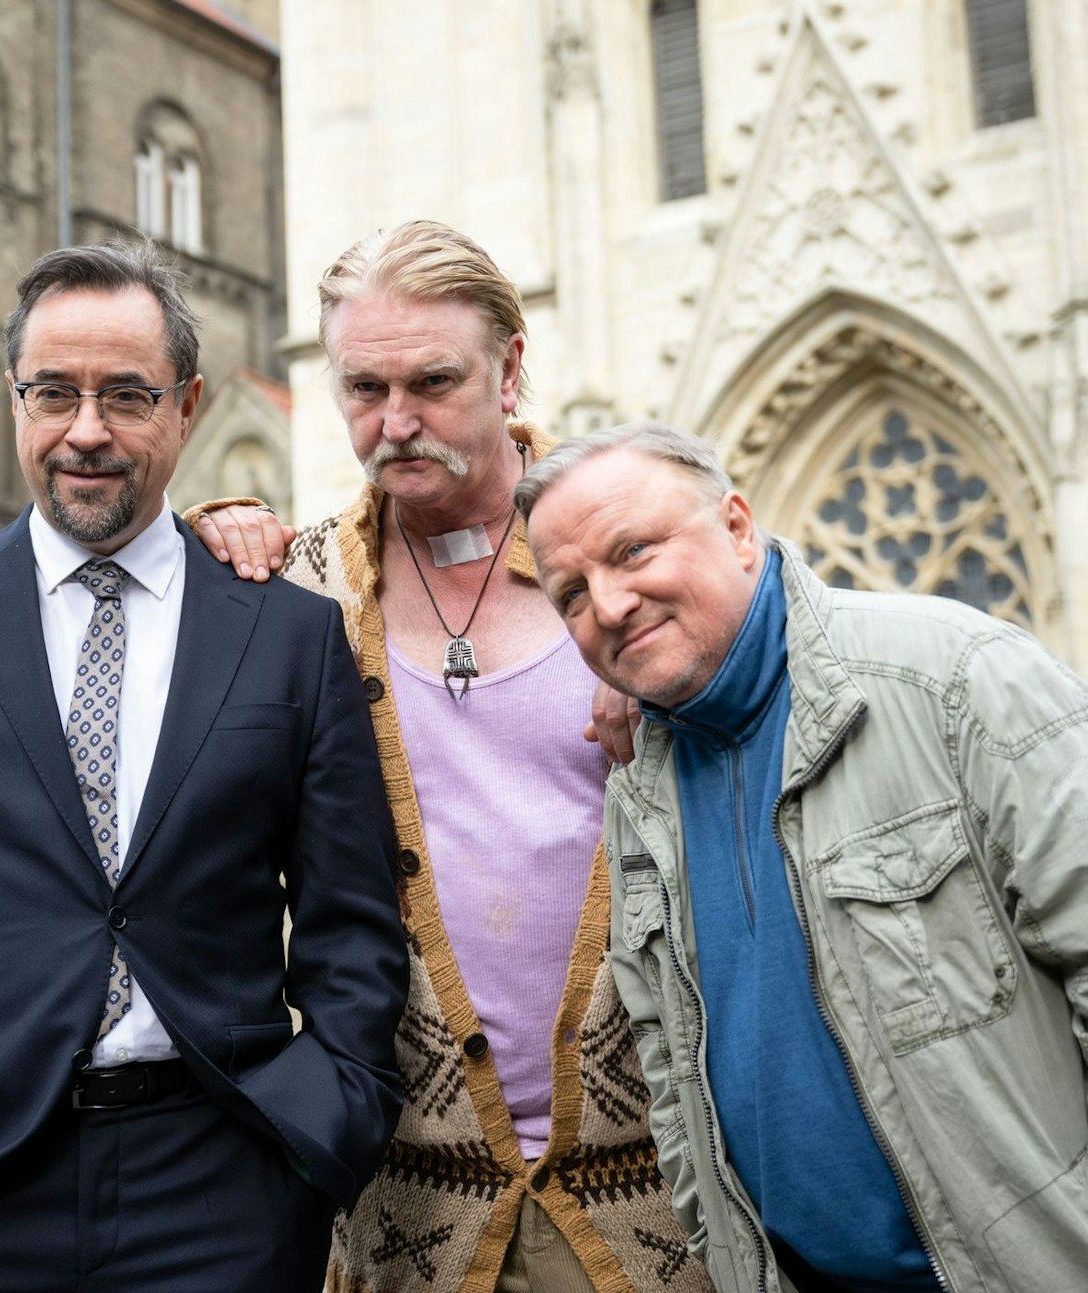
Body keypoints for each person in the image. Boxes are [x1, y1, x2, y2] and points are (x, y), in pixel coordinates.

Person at [0, 241, 409, 1292]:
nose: (86, 430)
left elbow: (349, 919)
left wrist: (327, 1125)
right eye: (53, 392)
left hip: (220, 1193)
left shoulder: (288, 637)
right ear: (16, 401)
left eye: (126, 395)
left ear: (185, 407)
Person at [518, 421, 1088, 1293]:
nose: (609, 605)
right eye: (571, 592)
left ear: (737, 526)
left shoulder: (958, 677)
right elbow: (670, 1055)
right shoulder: (638, 787)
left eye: (633, 551)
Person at [190, 222, 709, 1293]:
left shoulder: (633, 566)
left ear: (510, 363)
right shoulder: (293, 596)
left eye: (432, 381)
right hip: (409, 1217)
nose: (395, 424)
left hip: (662, 1196)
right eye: (362, 391)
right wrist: (194, 538)